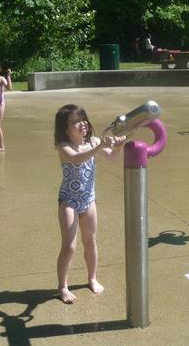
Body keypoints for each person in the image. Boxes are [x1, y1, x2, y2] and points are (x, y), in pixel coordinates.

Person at [54, 104, 126, 304]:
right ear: (65, 129)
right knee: (69, 246)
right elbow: (76, 159)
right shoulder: (63, 147)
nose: (81, 124)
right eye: (75, 122)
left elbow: (111, 158)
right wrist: (99, 146)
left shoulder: (93, 141)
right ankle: (62, 286)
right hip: (68, 201)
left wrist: (117, 146)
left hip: (88, 200)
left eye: (83, 119)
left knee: (90, 241)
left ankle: (92, 278)